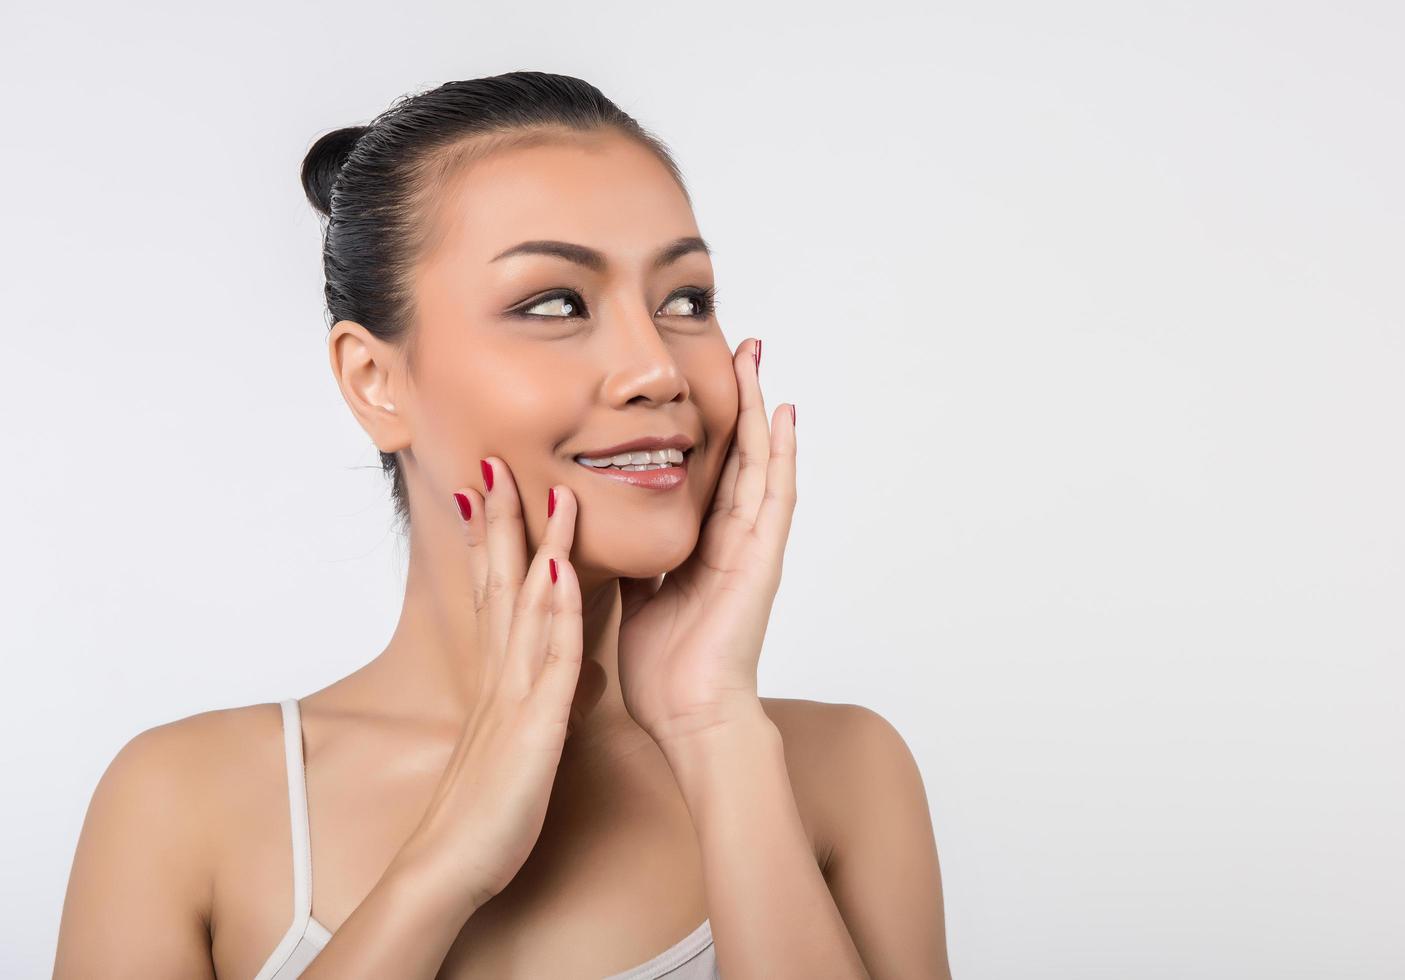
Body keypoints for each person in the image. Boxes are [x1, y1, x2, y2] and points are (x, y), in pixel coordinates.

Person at [53, 70, 951, 979]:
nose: (656, 370)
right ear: (375, 381)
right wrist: (448, 860)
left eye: (685, 300)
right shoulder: (186, 803)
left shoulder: (841, 776)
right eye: (555, 304)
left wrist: (712, 728)